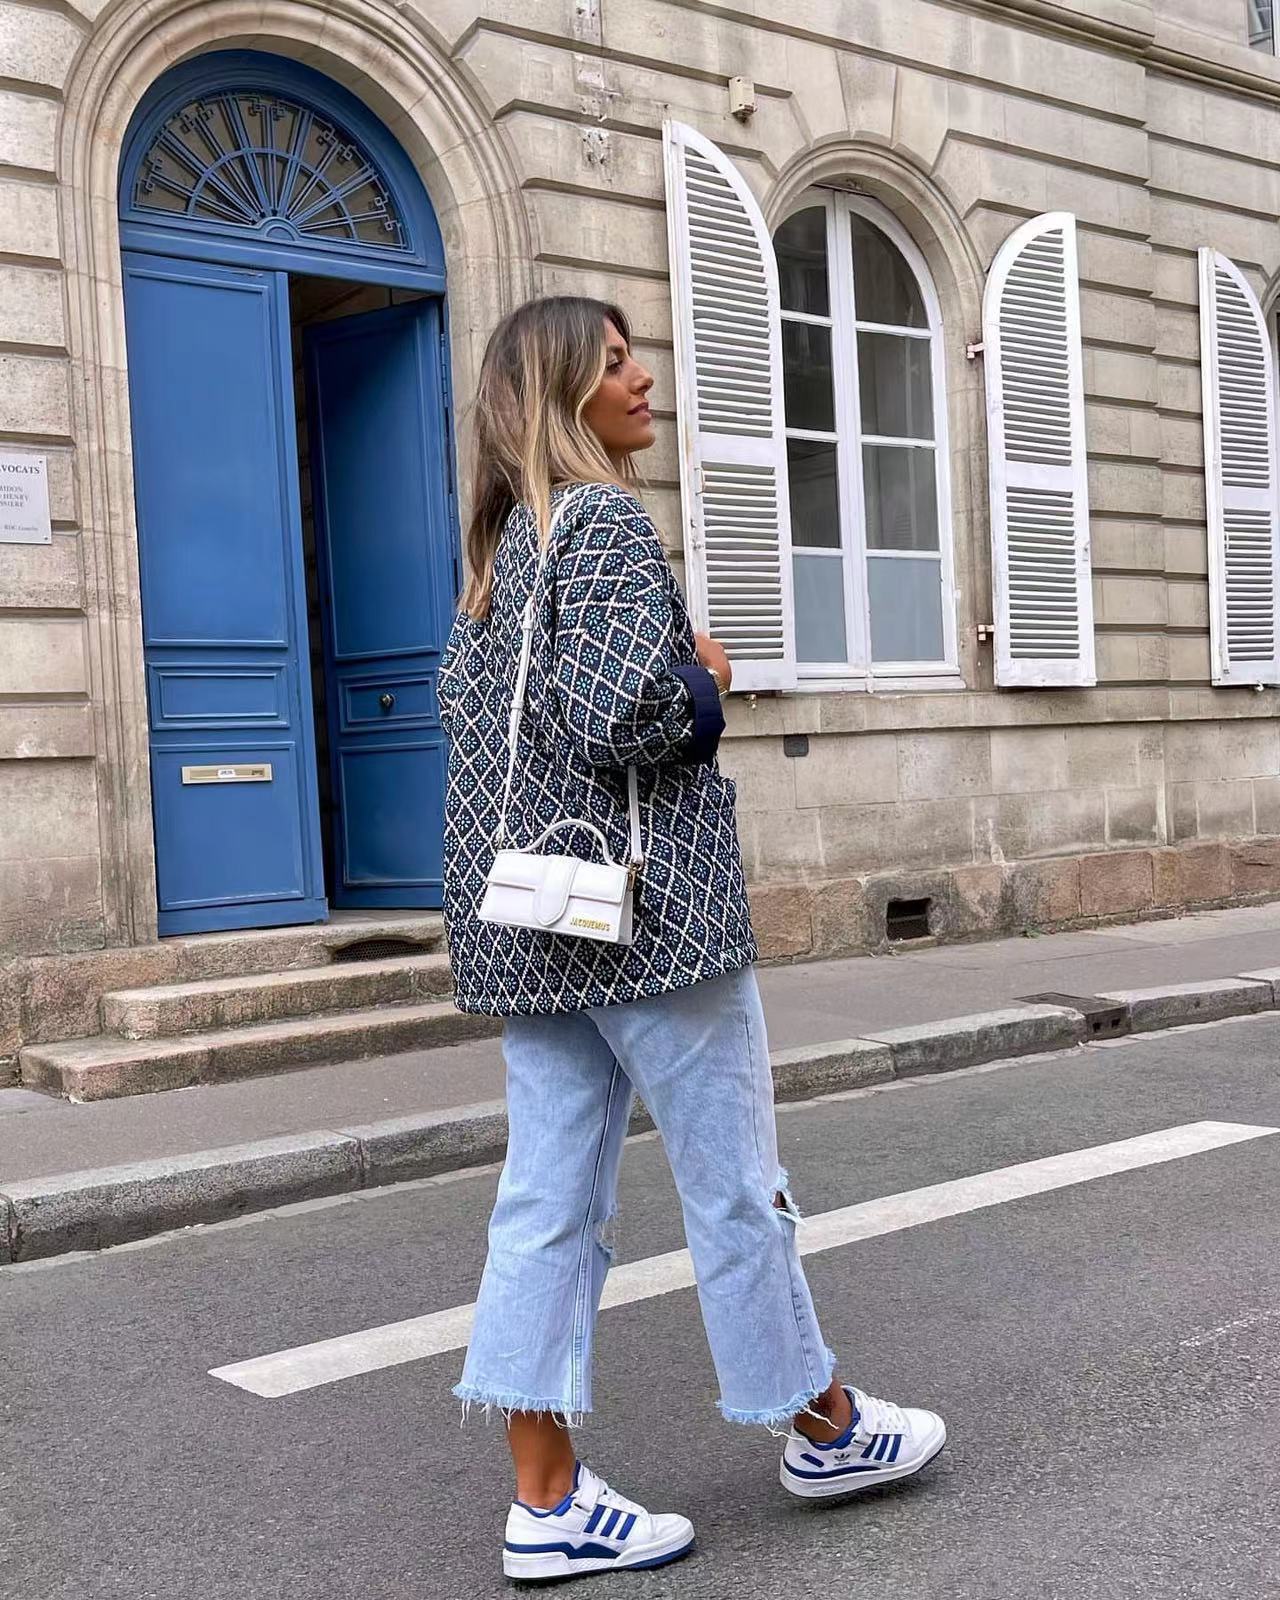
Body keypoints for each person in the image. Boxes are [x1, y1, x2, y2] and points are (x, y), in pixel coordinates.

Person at [437, 295, 945, 1584]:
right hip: (647, 923)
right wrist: (708, 679)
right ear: (564, 398)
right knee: (734, 1185)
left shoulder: (498, 559)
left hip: (538, 926)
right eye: (615, 366)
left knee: (544, 1205)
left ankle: (543, 1498)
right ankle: (822, 1426)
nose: (644, 378)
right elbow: (627, 717)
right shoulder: (601, 523)